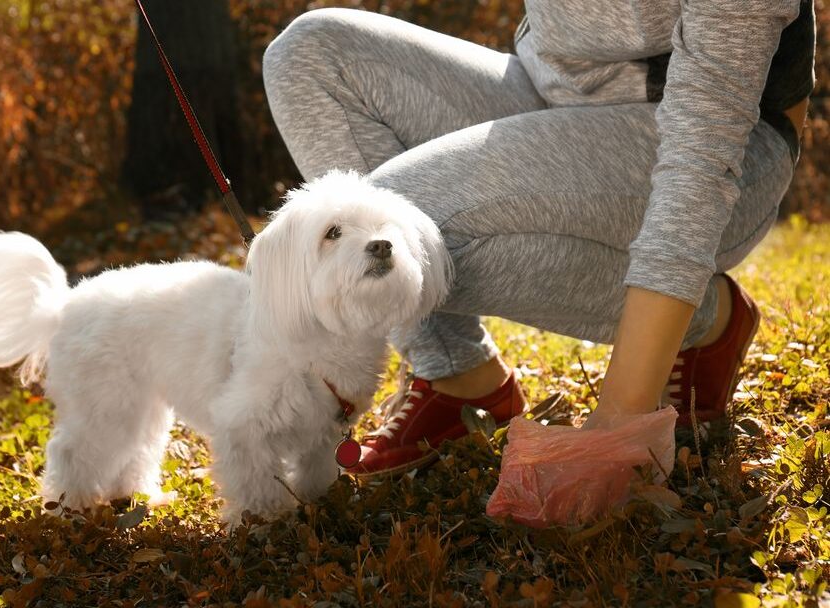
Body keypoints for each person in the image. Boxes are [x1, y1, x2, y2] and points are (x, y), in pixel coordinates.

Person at [262, 2, 815, 478]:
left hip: (720, 139)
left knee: (395, 227)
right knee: (308, 54)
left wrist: (620, 421)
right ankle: (457, 372)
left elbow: (704, 148)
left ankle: (707, 317)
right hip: (543, 92)